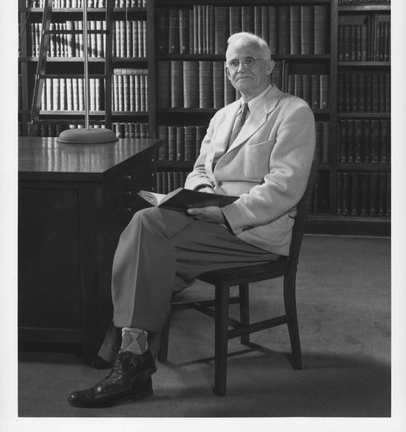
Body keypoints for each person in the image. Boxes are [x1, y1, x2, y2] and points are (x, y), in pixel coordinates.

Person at [68, 32, 316, 407]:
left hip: (254, 230)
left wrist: (226, 212)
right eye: (233, 62)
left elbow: (284, 187)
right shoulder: (223, 116)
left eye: (250, 60)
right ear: (226, 72)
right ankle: (132, 360)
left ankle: (128, 358)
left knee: (146, 233)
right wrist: (199, 194)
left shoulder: (293, 111)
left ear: (269, 66)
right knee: (146, 228)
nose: (240, 68)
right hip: (206, 216)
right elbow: (200, 169)